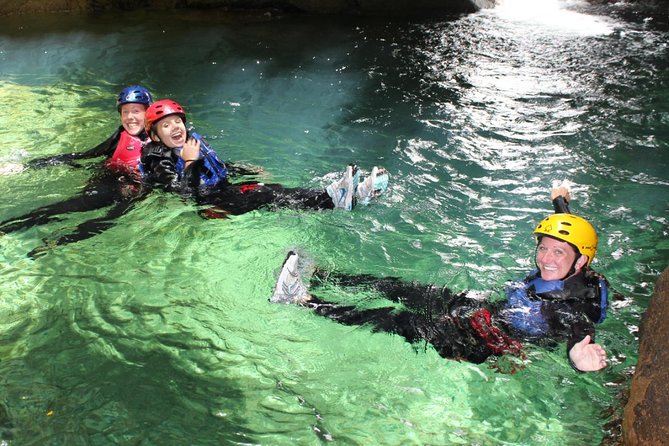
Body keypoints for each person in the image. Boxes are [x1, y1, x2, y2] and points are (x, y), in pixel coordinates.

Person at [270, 184, 609, 373]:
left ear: (580, 260)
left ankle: (303, 300)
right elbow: (568, 230)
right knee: (401, 288)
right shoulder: (579, 258)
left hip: (481, 341)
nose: (546, 258)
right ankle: (322, 274)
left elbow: (580, 333)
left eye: (558, 253)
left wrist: (579, 360)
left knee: (395, 320)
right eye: (544, 248)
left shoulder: (573, 307)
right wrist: (561, 201)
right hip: (484, 309)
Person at [140, 99, 389, 216]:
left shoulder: (191, 143)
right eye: (165, 126)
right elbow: (183, 193)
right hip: (210, 206)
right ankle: (335, 200)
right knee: (266, 195)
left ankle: (346, 196)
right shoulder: (159, 160)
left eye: (177, 122)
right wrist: (191, 162)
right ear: (154, 136)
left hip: (223, 191)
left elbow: (214, 168)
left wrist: (243, 170)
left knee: (271, 189)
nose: (175, 128)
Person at [0, 86, 155, 256]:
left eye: (136, 111)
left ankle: (57, 242)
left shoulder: (161, 143)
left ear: (149, 114)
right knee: (63, 208)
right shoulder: (120, 136)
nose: (130, 117)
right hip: (106, 182)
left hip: (133, 192)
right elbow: (83, 156)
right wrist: (28, 165)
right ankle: (8, 227)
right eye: (125, 112)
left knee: (108, 220)